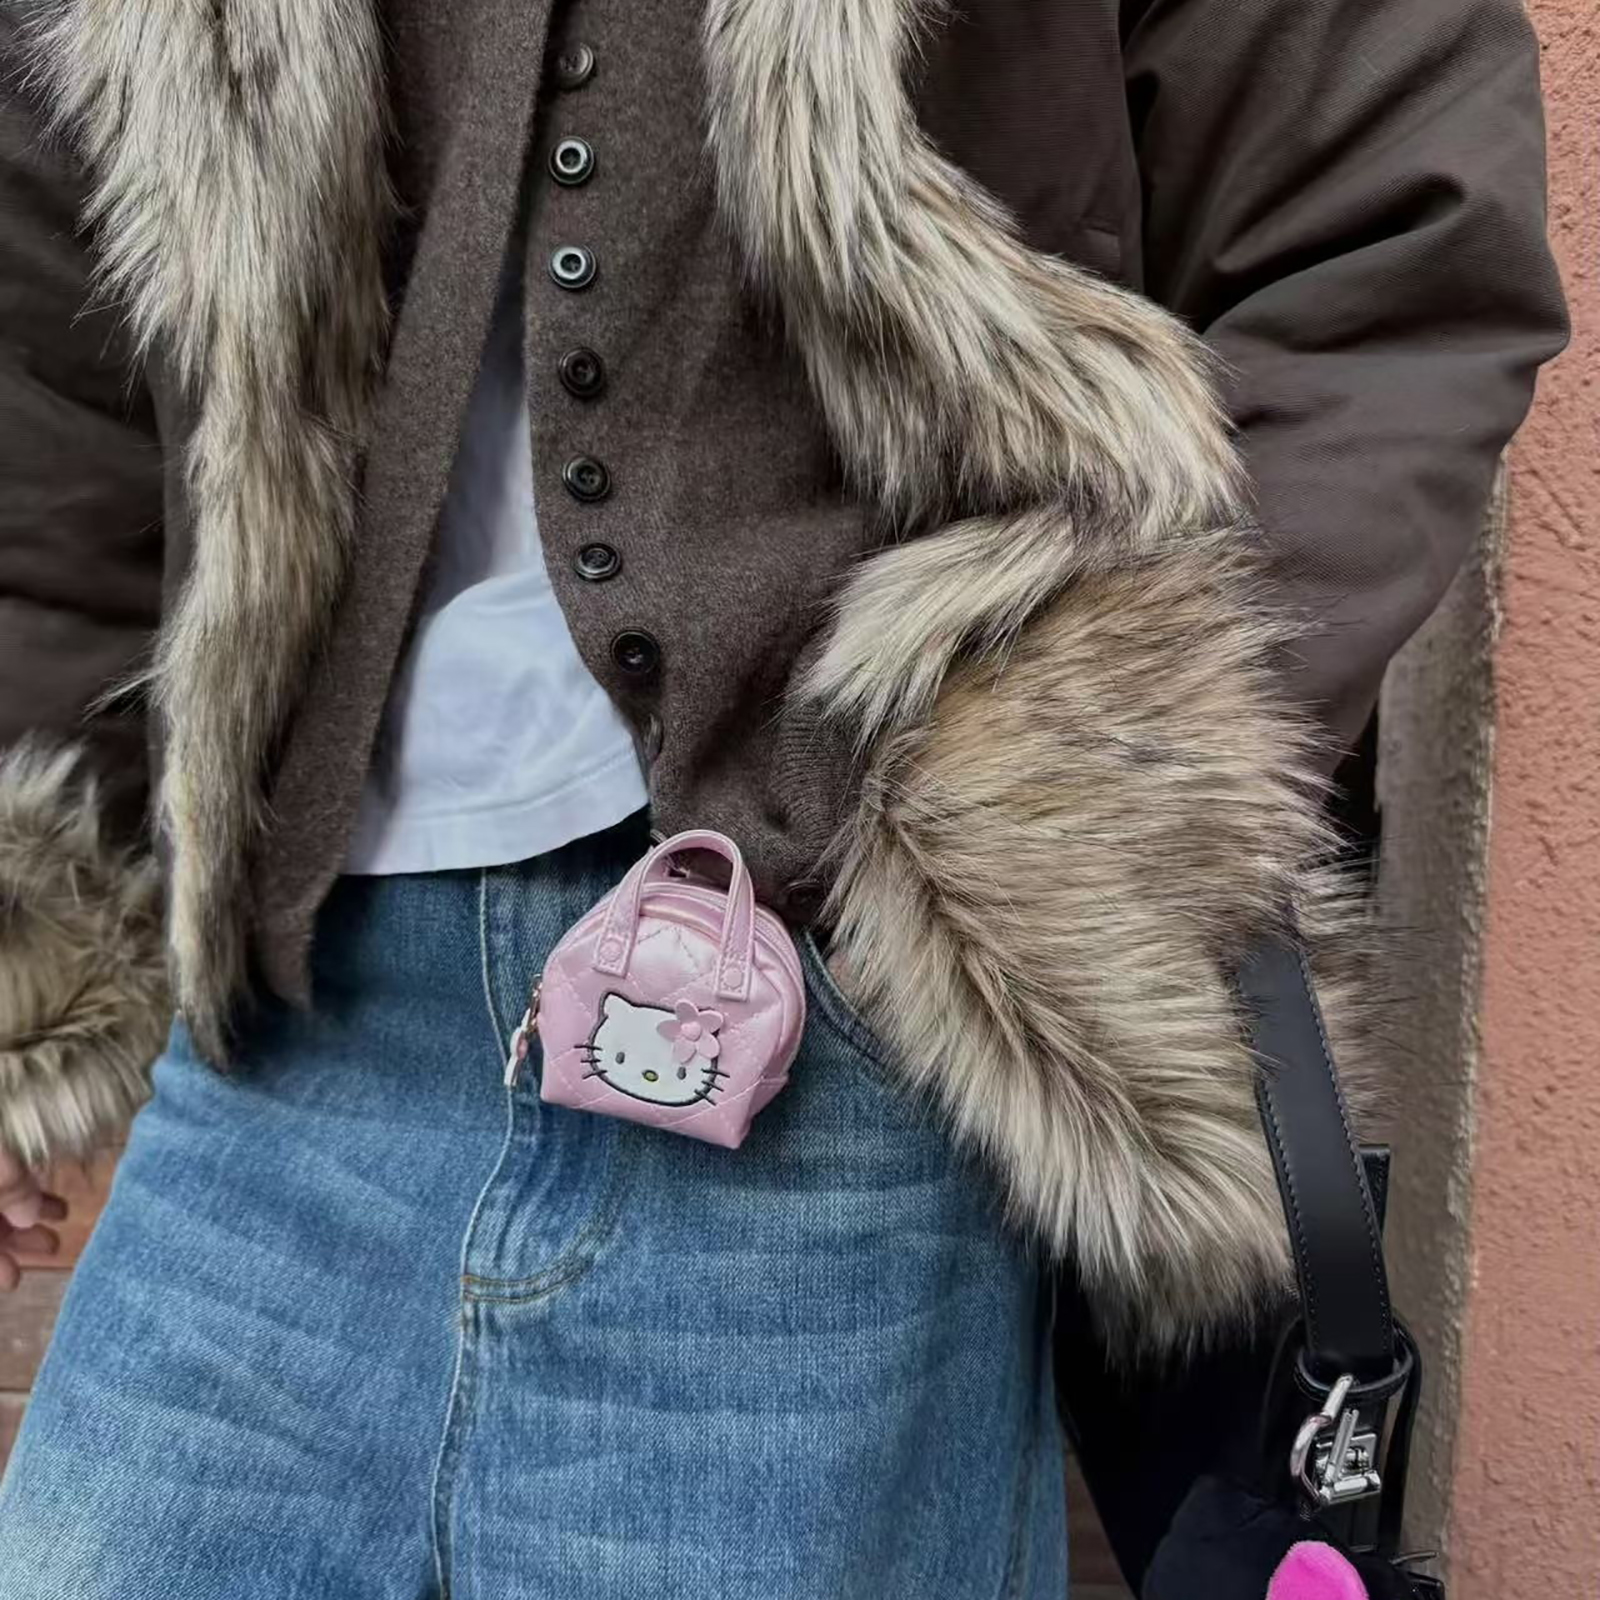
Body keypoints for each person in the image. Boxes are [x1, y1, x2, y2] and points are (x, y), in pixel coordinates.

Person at [0, 0, 1567, 1595]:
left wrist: (1065, 800)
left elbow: (1389, 231)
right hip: (296, 1029)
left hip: (832, 1046)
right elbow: (64, 343)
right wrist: (33, 949)